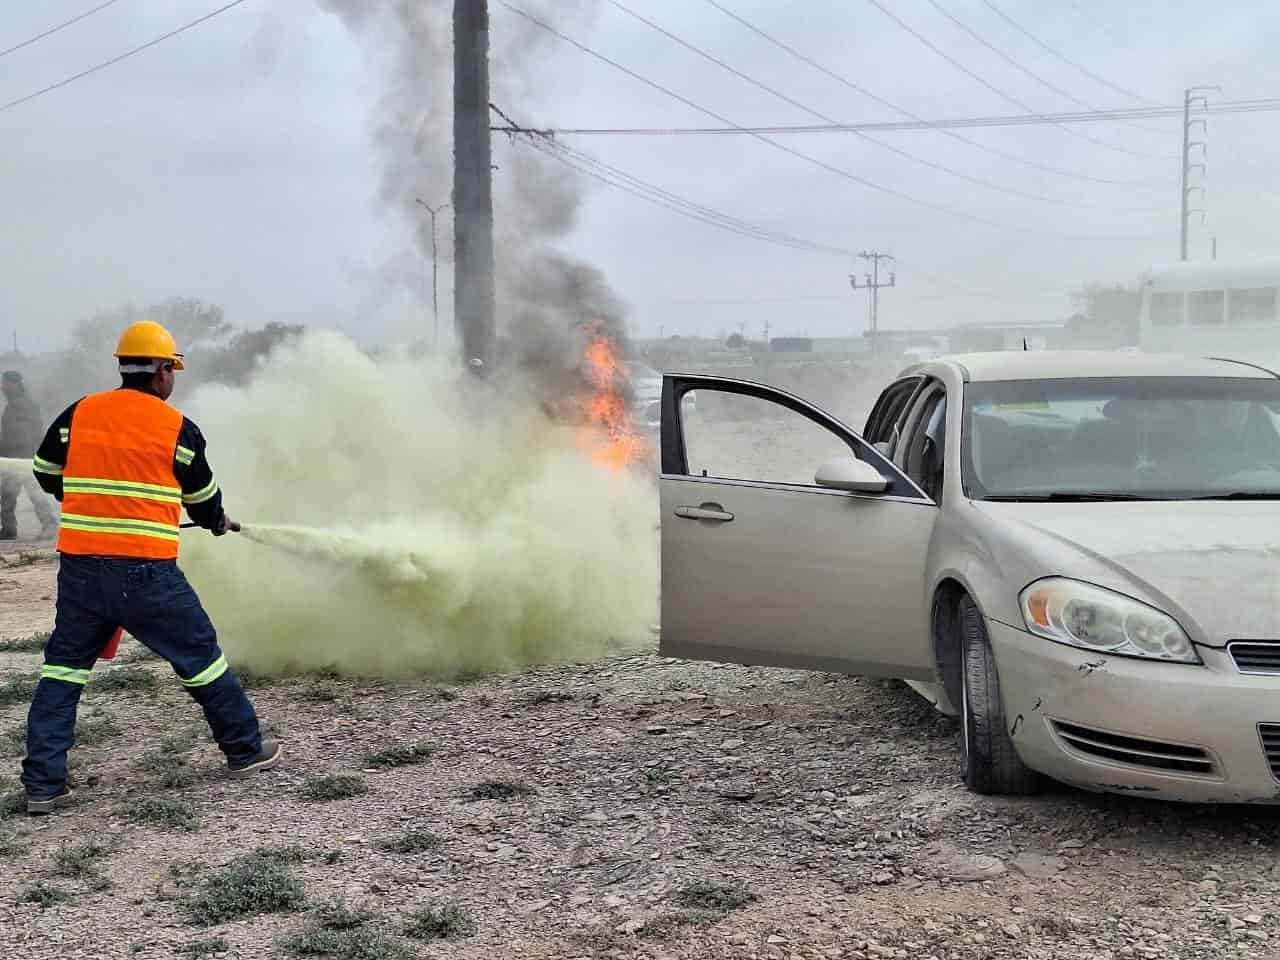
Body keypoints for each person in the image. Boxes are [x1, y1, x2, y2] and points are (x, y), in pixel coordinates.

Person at [21, 320, 281, 814]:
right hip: (147, 573)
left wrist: (80, 499)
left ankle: (43, 786)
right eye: (172, 370)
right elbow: (202, 496)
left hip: (80, 571)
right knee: (202, 660)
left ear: (124, 367)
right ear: (162, 371)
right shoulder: (176, 427)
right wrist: (214, 520)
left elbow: (45, 470)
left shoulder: (81, 412)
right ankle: (245, 750)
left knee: (63, 671)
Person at [0, 370, 58, 541]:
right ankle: (9, 529)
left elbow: (22, 434)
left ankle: (49, 525)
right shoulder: (15, 404)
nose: (2, 387)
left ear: (16, 384)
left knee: (34, 493)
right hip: (18, 457)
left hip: (23, 458)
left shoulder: (21, 405)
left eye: (5, 383)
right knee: (7, 495)